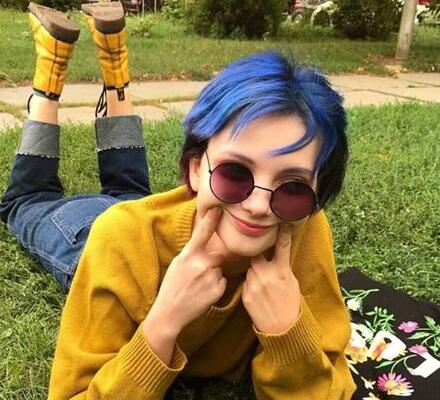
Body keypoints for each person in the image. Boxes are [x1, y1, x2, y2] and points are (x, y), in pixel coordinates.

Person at [0, 2, 357, 399]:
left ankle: (116, 66)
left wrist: (288, 331)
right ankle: (48, 82)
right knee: (26, 201)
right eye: (235, 172)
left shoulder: (302, 226)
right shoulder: (120, 240)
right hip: (88, 235)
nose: (259, 206)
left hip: (161, 211)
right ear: (194, 168)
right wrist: (164, 320)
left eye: (292, 187)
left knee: (128, 189)